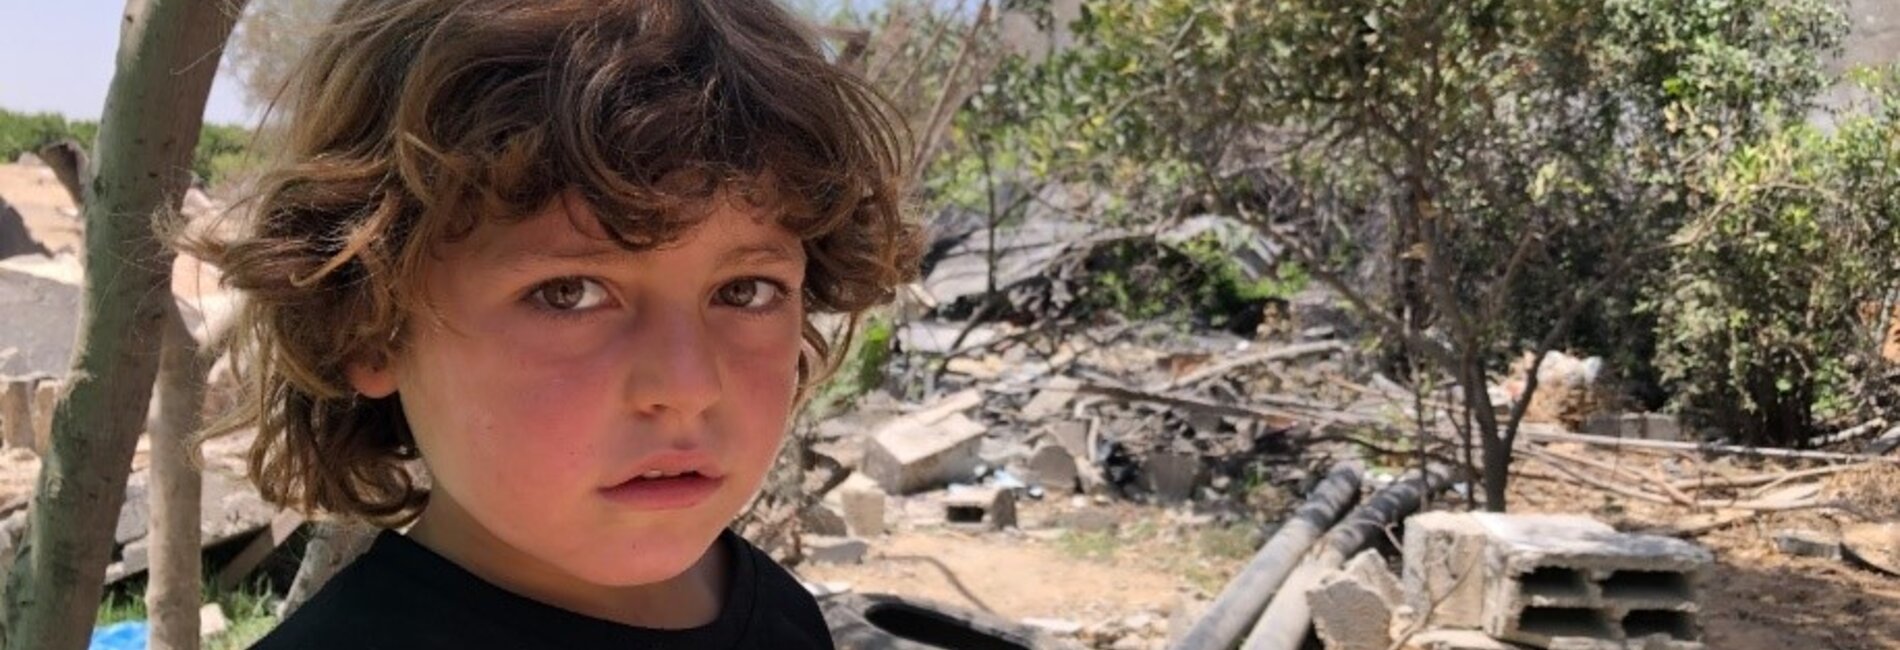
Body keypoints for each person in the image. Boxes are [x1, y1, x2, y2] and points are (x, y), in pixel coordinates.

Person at [185, 0, 920, 647]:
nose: (689, 386)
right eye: (568, 292)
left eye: (746, 289)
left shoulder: (785, 617)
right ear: (369, 324)